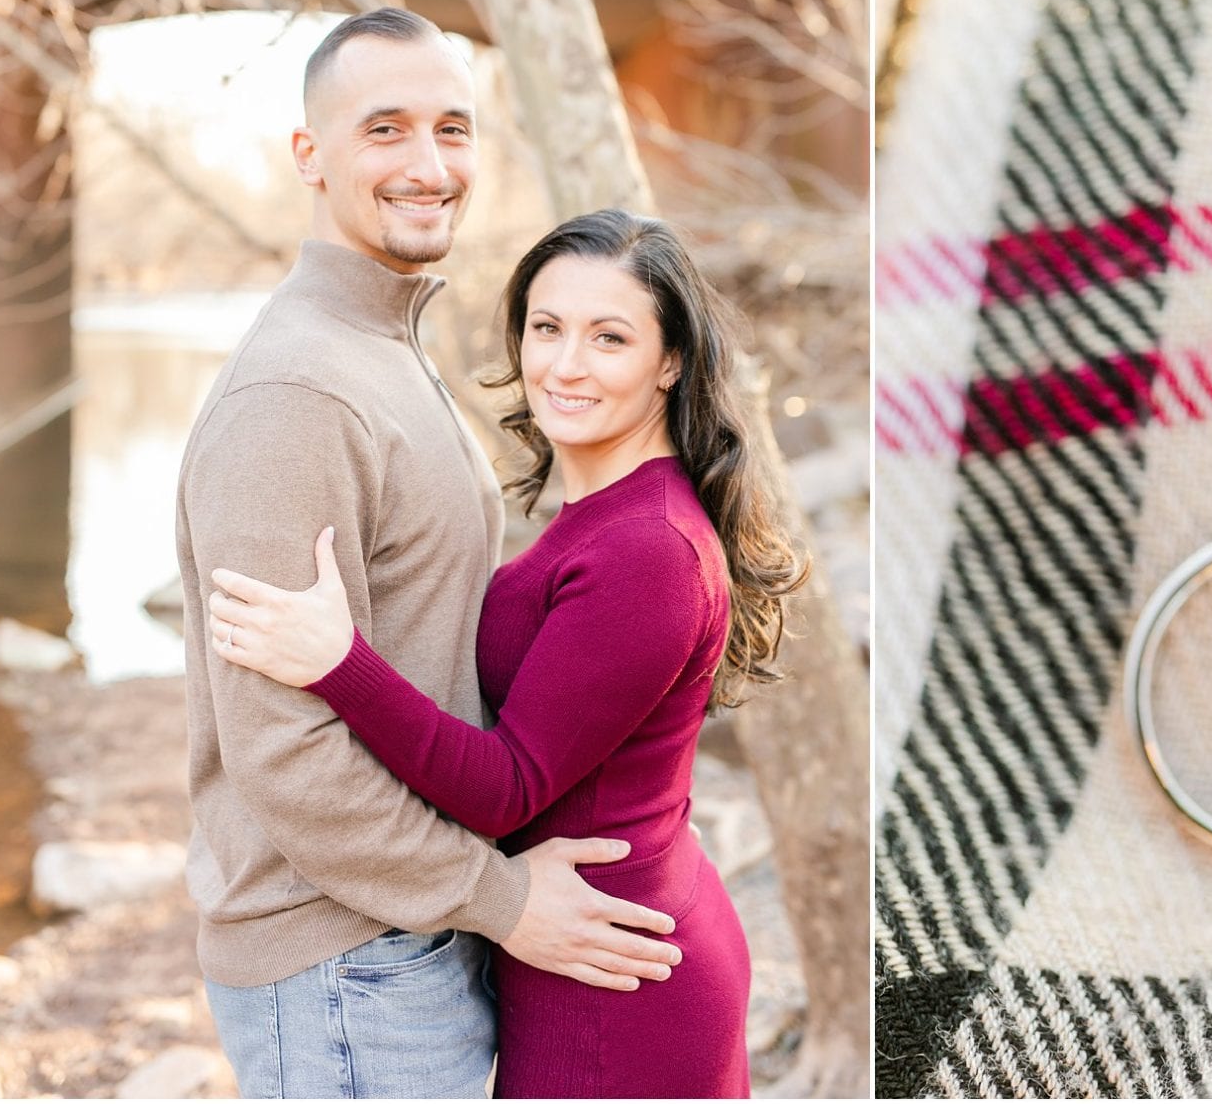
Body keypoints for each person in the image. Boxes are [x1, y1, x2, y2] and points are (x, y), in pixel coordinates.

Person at [178, 8, 683, 1100]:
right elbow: (285, 755)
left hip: (409, 927)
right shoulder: (295, 397)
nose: (428, 163)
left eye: (452, 129)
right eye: (386, 129)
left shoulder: (383, 347)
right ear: (310, 155)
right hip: (341, 957)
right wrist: (499, 896)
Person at [204, 206, 808, 1097]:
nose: (564, 364)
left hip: (615, 978)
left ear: (670, 360)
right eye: (546, 327)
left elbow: (505, 784)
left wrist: (340, 660)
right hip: (589, 942)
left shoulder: (650, 549)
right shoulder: (606, 510)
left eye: (609, 337)